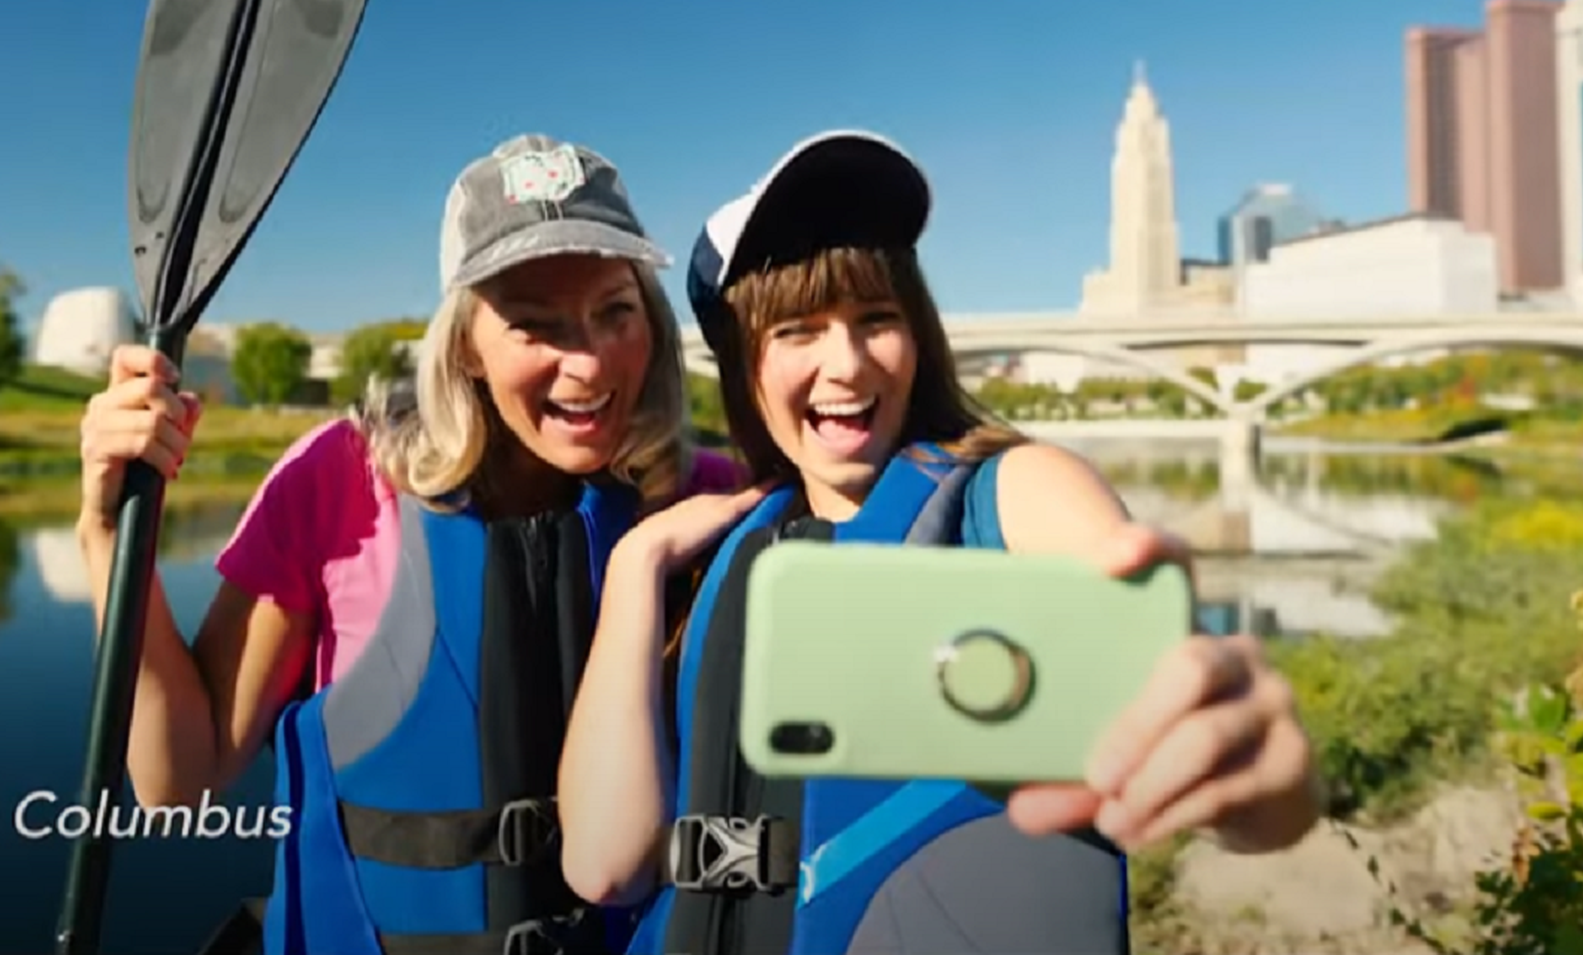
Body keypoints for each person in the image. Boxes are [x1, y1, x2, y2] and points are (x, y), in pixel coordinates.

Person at [556, 130, 1322, 955]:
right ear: (743, 363)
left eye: (876, 318)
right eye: (797, 331)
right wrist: (636, 570)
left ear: (918, 336)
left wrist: (1252, 768)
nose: (847, 364)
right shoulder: (713, 554)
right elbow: (606, 869)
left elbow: (1223, 750)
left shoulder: (1016, 493)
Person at [74, 133, 743, 955]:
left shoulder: (711, 497)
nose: (589, 363)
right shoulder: (339, 481)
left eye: (616, 311)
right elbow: (179, 778)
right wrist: (107, 532)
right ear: (465, 342)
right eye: (535, 325)